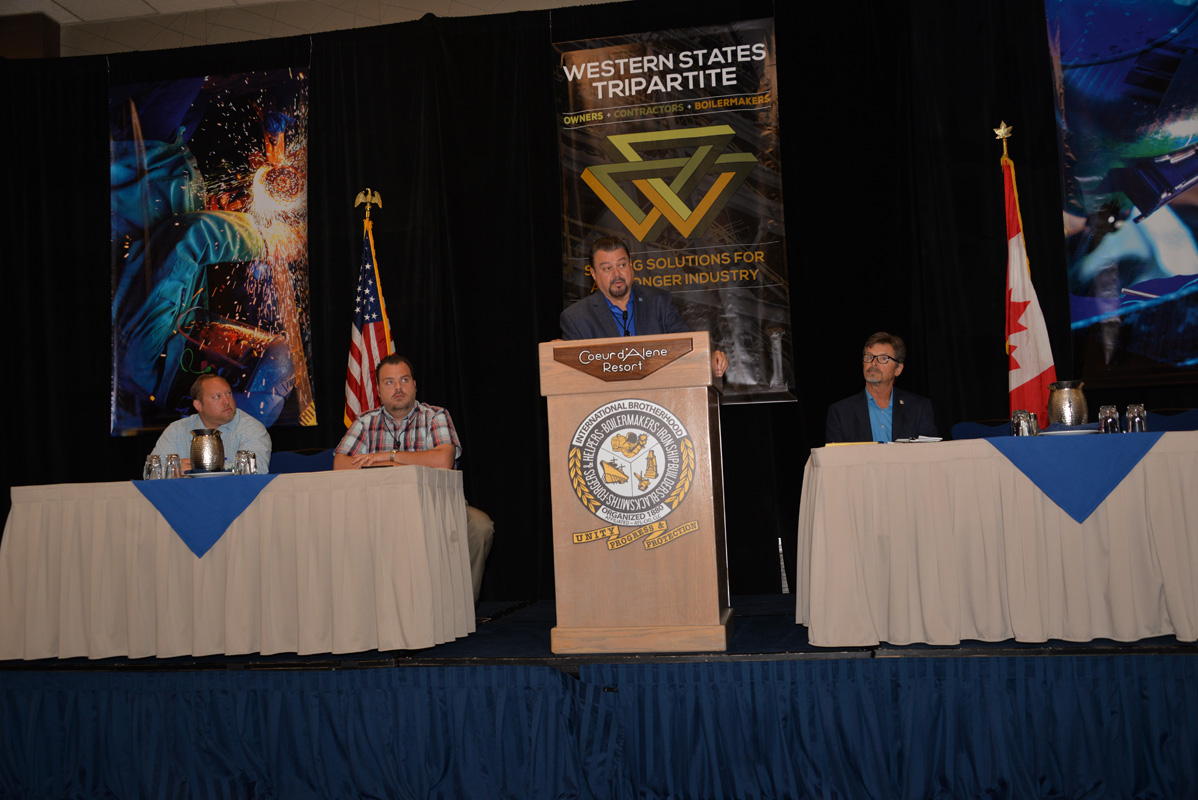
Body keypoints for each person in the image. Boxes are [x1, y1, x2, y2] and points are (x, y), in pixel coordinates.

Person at [334, 354, 495, 602]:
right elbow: (341, 465)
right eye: (389, 382)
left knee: (480, 526)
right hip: (381, 512)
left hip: (438, 508)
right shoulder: (365, 422)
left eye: (404, 380)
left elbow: (443, 461)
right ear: (379, 391)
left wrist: (389, 456)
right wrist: (397, 464)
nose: (398, 388)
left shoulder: (436, 416)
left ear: (415, 385)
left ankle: (459, 606)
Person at [559, 235, 729, 377]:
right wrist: (560, 355)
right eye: (607, 268)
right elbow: (571, 373)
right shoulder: (576, 318)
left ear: (631, 266)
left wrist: (709, 357)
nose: (617, 274)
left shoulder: (658, 302)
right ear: (594, 274)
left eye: (622, 265)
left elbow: (687, 343)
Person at [825, 332, 938, 443]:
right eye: (869, 357)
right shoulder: (841, 413)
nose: (873, 363)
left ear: (898, 369)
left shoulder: (918, 408)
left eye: (883, 358)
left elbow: (931, 453)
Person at [151, 373, 272, 472]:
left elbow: (256, 470)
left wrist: (200, 469)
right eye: (217, 397)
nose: (227, 401)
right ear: (198, 405)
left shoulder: (251, 429)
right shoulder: (176, 431)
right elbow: (153, 471)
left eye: (228, 394)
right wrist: (173, 469)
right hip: (188, 494)